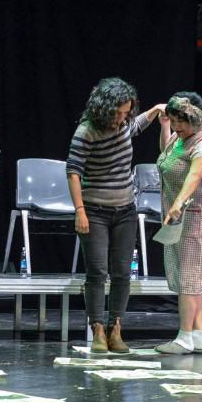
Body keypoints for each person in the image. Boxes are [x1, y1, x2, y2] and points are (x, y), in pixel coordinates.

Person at [66, 78, 165, 353]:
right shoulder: (87, 131)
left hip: (125, 210)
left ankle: (115, 328)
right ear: (104, 108)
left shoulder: (124, 125)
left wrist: (156, 110)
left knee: (122, 272)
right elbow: (73, 171)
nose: (122, 118)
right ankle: (97, 329)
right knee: (97, 272)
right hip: (94, 210)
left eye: (126, 113)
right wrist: (80, 211)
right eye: (118, 113)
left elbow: (137, 125)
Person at [154, 92, 202, 354]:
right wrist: (164, 127)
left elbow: (194, 176)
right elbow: (167, 156)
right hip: (182, 216)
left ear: (197, 119)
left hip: (196, 218)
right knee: (191, 276)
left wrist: (178, 202)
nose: (177, 126)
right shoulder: (181, 138)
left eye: (181, 121)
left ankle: (184, 337)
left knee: (190, 278)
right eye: (173, 120)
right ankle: (196, 334)